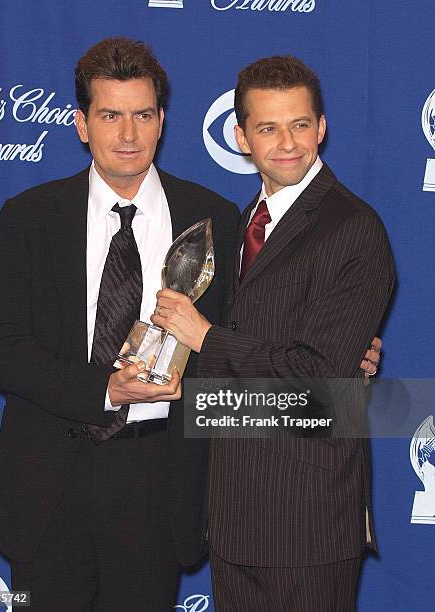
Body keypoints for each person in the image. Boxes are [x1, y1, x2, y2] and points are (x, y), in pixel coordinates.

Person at [0, 37, 240, 611]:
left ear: (162, 121)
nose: (128, 135)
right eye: (110, 115)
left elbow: (238, 340)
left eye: (142, 115)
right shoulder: (28, 217)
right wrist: (103, 389)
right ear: (81, 124)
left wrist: (341, 353)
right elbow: (1, 348)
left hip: (158, 479)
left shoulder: (214, 217)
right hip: (49, 481)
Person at [152, 55, 395, 611]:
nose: (286, 142)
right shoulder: (240, 225)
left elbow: (318, 382)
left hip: (306, 517)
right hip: (232, 513)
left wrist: (204, 337)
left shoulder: (354, 228)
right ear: (241, 137)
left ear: (322, 128)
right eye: (267, 127)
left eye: (300, 124)